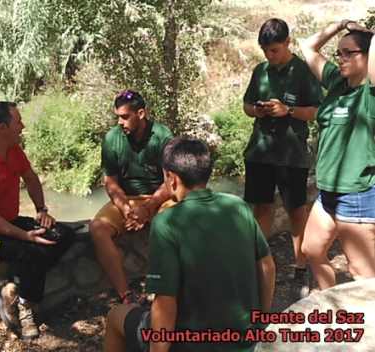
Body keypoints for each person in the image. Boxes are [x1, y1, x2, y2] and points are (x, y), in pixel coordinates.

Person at [104, 137, 276, 352]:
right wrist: (261, 320)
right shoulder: (237, 206)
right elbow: (267, 266)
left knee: (115, 316)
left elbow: (165, 303)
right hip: (244, 337)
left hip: (191, 343)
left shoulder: (167, 222)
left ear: (171, 178)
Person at [0, 101, 74, 339]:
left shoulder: (14, 151)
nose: (22, 126)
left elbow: (31, 179)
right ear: (2, 128)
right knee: (27, 251)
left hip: (8, 222)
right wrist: (25, 235)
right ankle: (26, 307)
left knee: (64, 235)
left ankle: (13, 289)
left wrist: (41, 209)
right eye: (18, 121)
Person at [242, 18, 322, 292]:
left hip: (292, 155)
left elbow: (316, 111)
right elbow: (246, 106)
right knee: (260, 208)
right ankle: (258, 265)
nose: (269, 55)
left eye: (274, 49)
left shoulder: (303, 71)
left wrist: (287, 111)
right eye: (265, 50)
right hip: (260, 152)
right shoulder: (260, 71)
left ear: (287, 42)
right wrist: (259, 110)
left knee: (296, 211)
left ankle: (300, 269)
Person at [300, 20, 375, 290]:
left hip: (356, 192)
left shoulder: (370, 94)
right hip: (328, 191)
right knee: (312, 250)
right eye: (338, 53)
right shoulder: (336, 82)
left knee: (363, 275)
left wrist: (372, 34)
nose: (341, 58)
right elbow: (307, 46)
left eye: (349, 53)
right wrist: (341, 24)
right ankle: (329, 302)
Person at [89, 90, 174, 304]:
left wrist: (149, 207)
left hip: (159, 197)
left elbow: (171, 182)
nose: (120, 122)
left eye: (125, 116)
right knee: (97, 228)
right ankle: (125, 294)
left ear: (141, 113)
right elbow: (110, 182)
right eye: (118, 116)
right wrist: (126, 208)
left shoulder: (162, 136)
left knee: (170, 224)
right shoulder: (111, 139)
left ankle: (162, 288)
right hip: (126, 198)